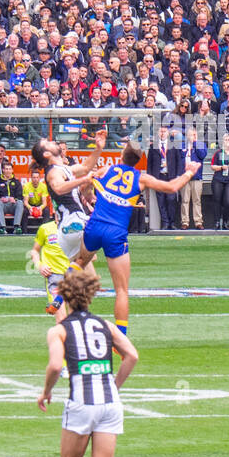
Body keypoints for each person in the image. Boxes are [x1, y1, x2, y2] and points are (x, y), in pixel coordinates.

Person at [36, 267, 142, 457]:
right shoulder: (105, 325)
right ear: (91, 295)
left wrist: (46, 392)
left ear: (65, 296)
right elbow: (132, 355)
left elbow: (56, 365)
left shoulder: (59, 330)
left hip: (82, 402)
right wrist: (115, 385)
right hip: (110, 402)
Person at [73, 140, 201, 340]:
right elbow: (170, 187)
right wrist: (189, 172)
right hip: (116, 233)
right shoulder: (141, 178)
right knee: (122, 291)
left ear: (122, 154)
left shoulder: (107, 169)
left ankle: (56, 294)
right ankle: (121, 338)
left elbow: (84, 185)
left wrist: (89, 195)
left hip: (95, 224)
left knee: (80, 262)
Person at [31, 132, 106, 270]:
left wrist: (99, 148)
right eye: (48, 143)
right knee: (106, 228)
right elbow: (59, 188)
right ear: (47, 154)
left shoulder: (64, 169)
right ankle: (72, 272)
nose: (53, 142)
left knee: (87, 285)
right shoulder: (53, 172)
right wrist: (84, 180)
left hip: (70, 227)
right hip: (73, 222)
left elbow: (85, 168)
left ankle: (68, 281)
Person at [29, 217, 73, 319]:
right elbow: (34, 251)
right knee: (61, 318)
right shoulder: (45, 228)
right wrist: (39, 265)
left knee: (75, 318)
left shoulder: (76, 227)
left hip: (73, 276)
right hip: (54, 276)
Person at [147, 125, 185, 230]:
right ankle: (165, 223)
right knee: (161, 201)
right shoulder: (153, 146)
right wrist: (151, 178)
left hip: (171, 176)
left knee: (171, 199)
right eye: (161, 131)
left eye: (164, 131)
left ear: (168, 133)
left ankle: (172, 222)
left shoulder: (173, 145)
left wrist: (178, 175)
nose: (162, 133)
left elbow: (179, 161)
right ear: (158, 133)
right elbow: (149, 163)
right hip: (159, 176)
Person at [179, 127, 209, 230]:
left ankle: (198, 221)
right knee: (185, 200)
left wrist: (195, 143)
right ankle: (185, 221)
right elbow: (179, 160)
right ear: (187, 135)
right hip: (185, 176)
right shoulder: (182, 145)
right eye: (191, 134)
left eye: (194, 134)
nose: (192, 136)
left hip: (196, 177)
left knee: (197, 200)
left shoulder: (200, 144)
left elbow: (202, 155)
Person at [209, 133, 229, 230]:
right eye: (225, 140)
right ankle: (217, 221)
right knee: (217, 200)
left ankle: (226, 220)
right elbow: (212, 166)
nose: (227, 142)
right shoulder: (218, 153)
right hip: (218, 179)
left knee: (228, 201)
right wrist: (221, 167)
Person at [0, 160, 25, 234]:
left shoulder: (17, 182)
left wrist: (14, 199)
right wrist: (1, 198)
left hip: (13, 205)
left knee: (20, 202)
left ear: (12, 170)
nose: (8, 171)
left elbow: (20, 195)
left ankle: (17, 226)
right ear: (3, 170)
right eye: (6, 169)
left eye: (9, 169)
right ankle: (2, 227)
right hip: (3, 205)